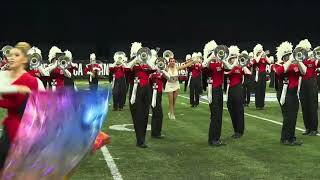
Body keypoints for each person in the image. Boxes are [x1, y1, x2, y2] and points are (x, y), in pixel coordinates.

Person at [0, 42, 45, 176]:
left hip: (29, 131)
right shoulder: (3, 75)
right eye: (10, 55)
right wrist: (17, 88)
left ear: (25, 59)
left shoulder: (35, 81)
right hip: (11, 127)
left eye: (16, 55)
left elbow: (49, 106)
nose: (11, 57)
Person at [274, 41, 306, 145]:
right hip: (284, 93)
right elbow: (280, 71)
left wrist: (299, 61)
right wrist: (290, 61)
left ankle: (291, 137)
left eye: (289, 55)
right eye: (286, 55)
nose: (289, 57)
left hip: (293, 94)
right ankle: (284, 139)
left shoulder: (295, 65)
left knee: (293, 116)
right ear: (283, 57)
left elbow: (304, 72)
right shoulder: (278, 64)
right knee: (288, 116)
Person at [127, 42, 157, 148]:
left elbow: (154, 69)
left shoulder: (145, 64)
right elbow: (126, 70)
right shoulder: (131, 63)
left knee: (144, 116)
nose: (141, 55)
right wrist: (136, 59)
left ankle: (142, 140)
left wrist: (145, 60)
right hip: (136, 91)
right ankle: (139, 139)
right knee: (137, 116)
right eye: (139, 53)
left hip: (147, 91)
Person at [202, 40, 226, 146]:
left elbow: (229, 67)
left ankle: (216, 137)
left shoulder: (220, 63)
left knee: (219, 115)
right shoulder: (210, 64)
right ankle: (212, 139)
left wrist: (222, 58)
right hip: (213, 90)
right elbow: (203, 66)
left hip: (219, 89)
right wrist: (211, 56)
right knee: (215, 115)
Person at [224, 46, 251, 138]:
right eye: (232, 58)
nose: (234, 60)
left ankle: (240, 131)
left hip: (238, 89)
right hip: (230, 89)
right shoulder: (228, 67)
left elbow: (249, 74)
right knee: (231, 109)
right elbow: (227, 72)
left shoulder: (240, 68)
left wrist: (242, 65)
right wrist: (235, 62)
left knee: (239, 110)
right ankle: (236, 130)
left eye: (235, 58)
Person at [295, 39, 319, 136]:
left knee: (312, 106)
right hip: (303, 83)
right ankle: (308, 128)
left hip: (312, 83)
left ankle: (314, 128)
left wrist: (316, 57)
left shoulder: (313, 59)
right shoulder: (300, 60)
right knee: (304, 106)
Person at [164, 55, 193, 120]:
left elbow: (186, 65)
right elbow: (161, 67)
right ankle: (172, 114)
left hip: (176, 85)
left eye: (173, 61)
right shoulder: (167, 68)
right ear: (169, 62)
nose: (172, 62)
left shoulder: (177, 68)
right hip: (169, 85)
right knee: (170, 101)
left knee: (174, 100)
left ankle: (171, 111)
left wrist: (192, 60)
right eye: (171, 61)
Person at [252, 44, 273, 110]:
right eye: (259, 51)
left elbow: (270, 62)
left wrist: (265, 55)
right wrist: (260, 55)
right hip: (258, 75)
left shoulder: (264, 58)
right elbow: (257, 61)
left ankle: (262, 105)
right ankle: (258, 105)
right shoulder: (255, 58)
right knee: (258, 89)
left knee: (263, 89)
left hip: (263, 75)